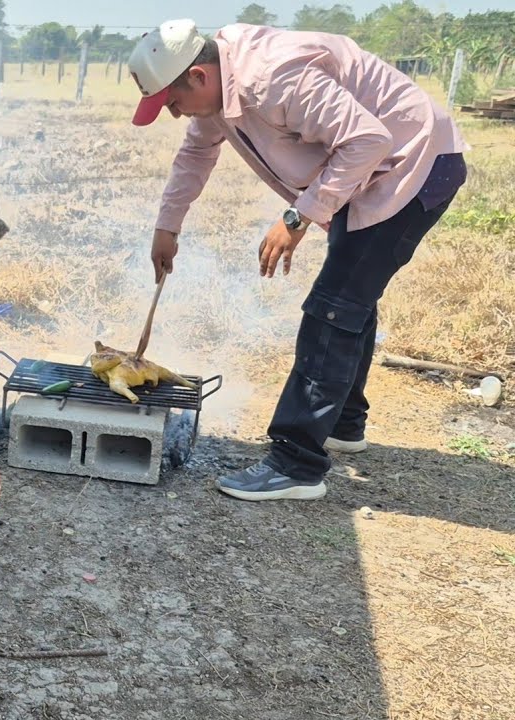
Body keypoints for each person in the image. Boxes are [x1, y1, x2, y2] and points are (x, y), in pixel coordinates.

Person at [127, 19, 468, 501]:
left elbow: (368, 140)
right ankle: (343, 423)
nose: (174, 113)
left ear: (198, 76)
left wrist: (297, 217)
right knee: (350, 295)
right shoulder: (219, 88)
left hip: (413, 166)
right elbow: (195, 155)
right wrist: (168, 225)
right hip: (372, 175)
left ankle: (296, 464)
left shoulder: (272, 77)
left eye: (172, 102)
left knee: (333, 307)